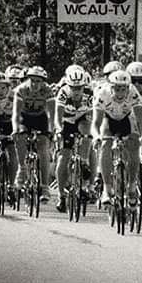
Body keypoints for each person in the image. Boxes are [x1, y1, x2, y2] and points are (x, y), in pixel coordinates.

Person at [92, 69, 142, 213]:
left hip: (126, 119)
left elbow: (141, 119)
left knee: (134, 144)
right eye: (117, 89)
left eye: (123, 89)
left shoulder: (133, 92)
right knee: (105, 144)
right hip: (108, 119)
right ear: (111, 87)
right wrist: (97, 136)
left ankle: (131, 185)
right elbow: (96, 122)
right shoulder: (102, 94)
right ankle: (107, 188)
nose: (120, 92)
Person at [54, 64, 93, 213]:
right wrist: (58, 130)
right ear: (68, 85)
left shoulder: (89, 93)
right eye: (73, 88)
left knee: (87, 129)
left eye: (80, 88)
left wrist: (93, 134)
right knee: (63, 157)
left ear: (84, 86)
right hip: (66, 122)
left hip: (82, 119)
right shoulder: (63, 93)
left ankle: (83, 162)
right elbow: (57, 117)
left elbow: (92, 116)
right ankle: (61, 196)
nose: (77, 91)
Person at [12, 65, 54, 202]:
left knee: (43, 149)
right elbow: (16, 114)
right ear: (28, 79)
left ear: (43, 82)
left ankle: (45, 186)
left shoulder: (48, 91)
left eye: (39, 81)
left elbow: (51, 114)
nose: (35, 84)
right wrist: (15, 129)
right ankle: (22, 168)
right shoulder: (21, 89)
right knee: (20, 136)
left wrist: (52, 130)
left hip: (41, 118)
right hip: (25, 118)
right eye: (32, 80)